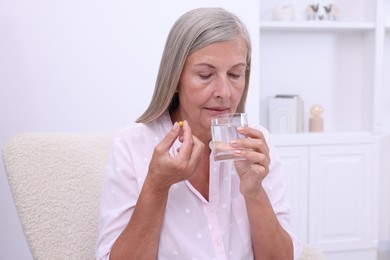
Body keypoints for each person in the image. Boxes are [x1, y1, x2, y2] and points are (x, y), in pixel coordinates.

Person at [96, 7, 302, 260]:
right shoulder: (133, 144)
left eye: (236, 74)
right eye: (206, 75)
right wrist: (157, 187)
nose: (224, 92)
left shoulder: (256, 145)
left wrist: (254, 192)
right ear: (174, 79)